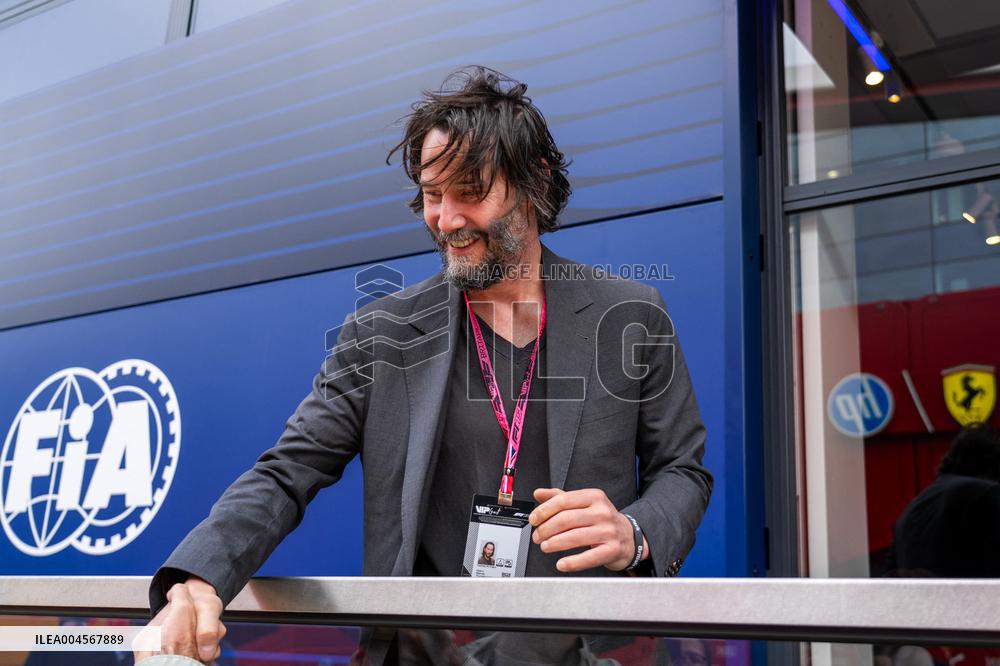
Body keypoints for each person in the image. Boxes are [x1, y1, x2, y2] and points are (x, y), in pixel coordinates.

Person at [136, 66, 712, 665]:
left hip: (594, 655)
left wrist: (634, 532)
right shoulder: (380, 332)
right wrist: (197, 581)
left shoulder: (632, 313)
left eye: (471, 192)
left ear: (534, 181)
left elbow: (682, 471)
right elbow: (288, 470)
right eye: (434, 195)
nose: (447, 219)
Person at [885, 423, 1000, 577]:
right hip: (971, 598)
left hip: (920, 599)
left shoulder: (913, 507)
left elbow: (890, 571)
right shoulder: (988, 493)